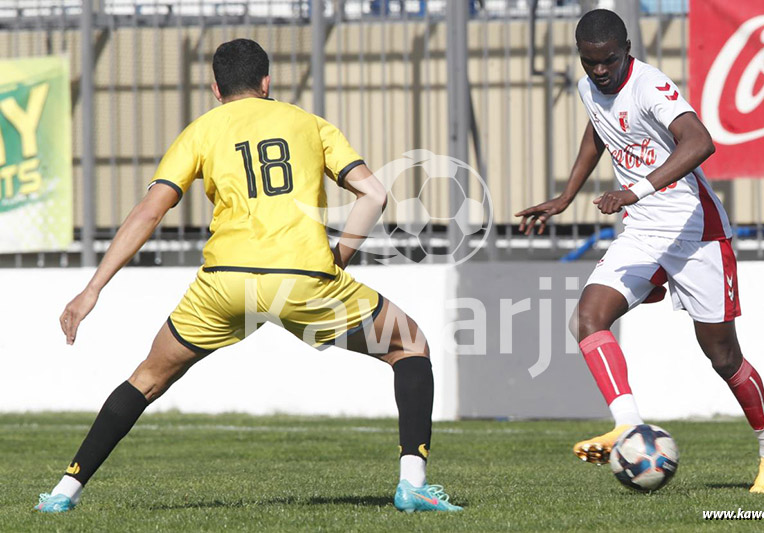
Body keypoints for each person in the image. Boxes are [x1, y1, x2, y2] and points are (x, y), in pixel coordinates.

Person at [35, 38, 461, 513]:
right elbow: (375, 195)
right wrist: (338, 256)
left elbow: (149, 212)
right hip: (303, 278)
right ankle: (413, 483)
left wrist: (92, 289)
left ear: (215, 89)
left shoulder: (201, 130)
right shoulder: (309, 123)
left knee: (148, 379)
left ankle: (62, 492)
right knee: (409, 346)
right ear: (266, 82)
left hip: (224, 283)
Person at [516, 9, 764, 493]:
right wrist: (566, 196)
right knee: (586, 318)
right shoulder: (589, 87)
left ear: (626, 49)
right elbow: (599, 132)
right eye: (589, 62)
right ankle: (627, 424)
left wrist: (634, 190)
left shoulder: (650, 85)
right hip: (642, 231)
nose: (599, 71)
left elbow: (700, 141)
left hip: (695, 233)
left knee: (723, 356)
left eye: (609, 61)